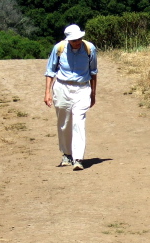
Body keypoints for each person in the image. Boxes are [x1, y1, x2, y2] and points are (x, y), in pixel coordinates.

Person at [44, 24, 98, 171]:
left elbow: (93, 72)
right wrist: (47, 92)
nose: (77, 42)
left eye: (79, 38)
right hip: (62, 87)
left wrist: (93, 93)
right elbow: (50, 71)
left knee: (79, 121)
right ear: (68, 40)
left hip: (82, 88)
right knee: (64, 123)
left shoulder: (89, 49)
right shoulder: (59, 48)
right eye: (74, 40)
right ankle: (66, 154)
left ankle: (78, 158)